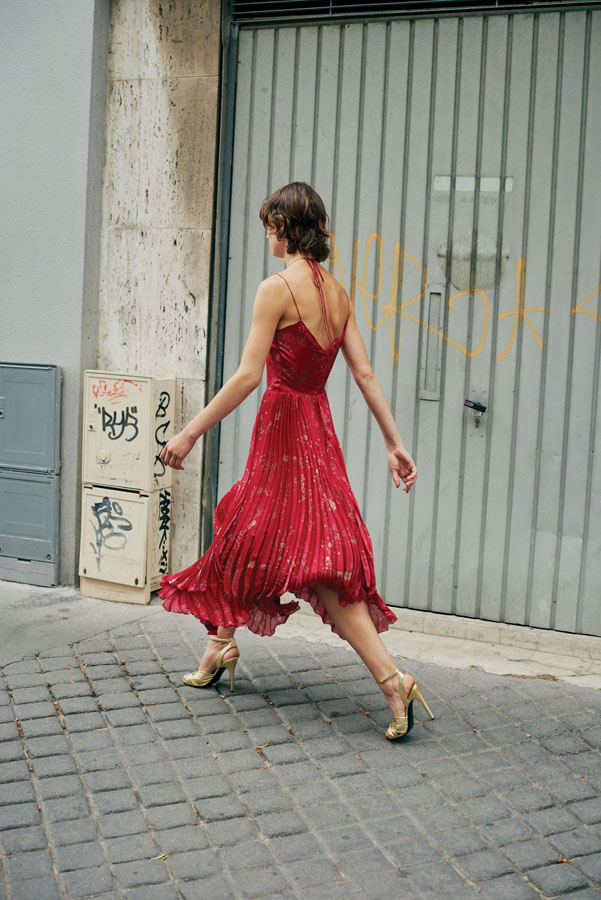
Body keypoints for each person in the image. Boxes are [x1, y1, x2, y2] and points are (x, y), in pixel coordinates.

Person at [157, 181, 434, 740]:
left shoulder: (276, 288)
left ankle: (390, 679)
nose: (267, 235)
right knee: (246, 527)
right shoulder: (339, 294)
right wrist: (393, 442)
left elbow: (247, 377)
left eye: (270, 225)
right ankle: (220, 645)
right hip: (317, 433)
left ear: (284, 227)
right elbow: (364, 374)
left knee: (284, 549)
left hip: (284, 431)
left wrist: (188, 433)